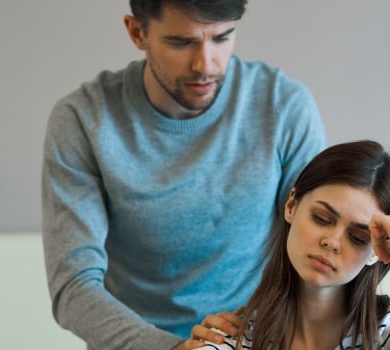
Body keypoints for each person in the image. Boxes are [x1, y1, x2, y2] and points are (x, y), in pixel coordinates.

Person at [40, 0, 327, 349]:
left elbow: (317, 252)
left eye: (222, 38)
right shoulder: (84, 120)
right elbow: (73, 285)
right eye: (182, 42)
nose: (205, 65)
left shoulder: (282, 106)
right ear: (137, 32)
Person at [184, 140, 390, 350]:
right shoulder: (233, 338)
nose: (332, 242)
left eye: (358, 237)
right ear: (291, 206)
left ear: (378, 251)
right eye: (322, 218)